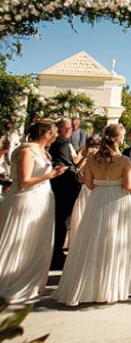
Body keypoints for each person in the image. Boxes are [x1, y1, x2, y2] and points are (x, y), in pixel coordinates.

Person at [55, 124, 131, 306]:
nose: (124, 139)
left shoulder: (91, 159)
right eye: (122, 136)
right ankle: (108, 288)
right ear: (117, 139)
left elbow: (88, 184)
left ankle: (87, 286)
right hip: (118, 200)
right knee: (113, 241)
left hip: (97, 198)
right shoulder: (124, 161)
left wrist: (102, 186)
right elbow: (127, 186)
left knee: (93, 240)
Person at [0, 120, 68, 302]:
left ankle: (28, 282)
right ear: (46, 133)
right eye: (54, 132)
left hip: (41, 200)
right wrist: (52, 174)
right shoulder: (26, 151)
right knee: (18, 240)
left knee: (35, 241)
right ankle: (8, 283)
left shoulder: (42, 151)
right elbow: (23, 182)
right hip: (25, 201)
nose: (56, 136)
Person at [49, 119, 84, 270]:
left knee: (64, 222)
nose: (70, 130)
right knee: (61, 222)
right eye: (68, 128)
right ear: (61, 129)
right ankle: (56, 255)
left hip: (66, 187)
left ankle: (57, 253)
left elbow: (73, 165)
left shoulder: (65, 143)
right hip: (63, 188)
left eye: (72, 128)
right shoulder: (60, 144)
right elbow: (69, 167)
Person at [67, 135, 101, 246]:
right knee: (80, 218)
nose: (94, 149)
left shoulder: (101, 158)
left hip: (94, 190)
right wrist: (85, 157)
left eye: (96, 147)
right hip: (84, 190)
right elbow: (78, 172)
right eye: (92, 146)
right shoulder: (86, 156)